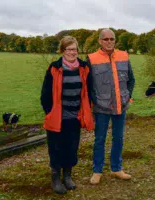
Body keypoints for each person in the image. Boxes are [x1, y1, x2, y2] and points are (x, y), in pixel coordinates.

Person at [41, 36, 94, 194]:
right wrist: (50, 111)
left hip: (75, 116)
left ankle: (68, 176)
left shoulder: (84, 68)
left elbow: (89, 91)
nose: (72, 52)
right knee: (56, 148)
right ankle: (55, 179)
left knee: (72, 147)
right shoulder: (54, 67)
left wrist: (86, 110)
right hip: (57, 117)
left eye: (75, 49)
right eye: (69, 49)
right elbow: (45, 94)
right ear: (63, 51)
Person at [87, 28, 135, 185]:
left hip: (121, 106)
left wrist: (127, 97)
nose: (109, 42)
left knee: (118, 138)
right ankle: (97, 171)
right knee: (100, 139)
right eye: (105, 39)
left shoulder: (124, 56)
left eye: (111, 39)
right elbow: (88, 85)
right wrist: (95, 101)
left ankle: (116, 168)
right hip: (101, 108)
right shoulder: (92, 59)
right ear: (100, 41)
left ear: (115, 41)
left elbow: (131, 80)